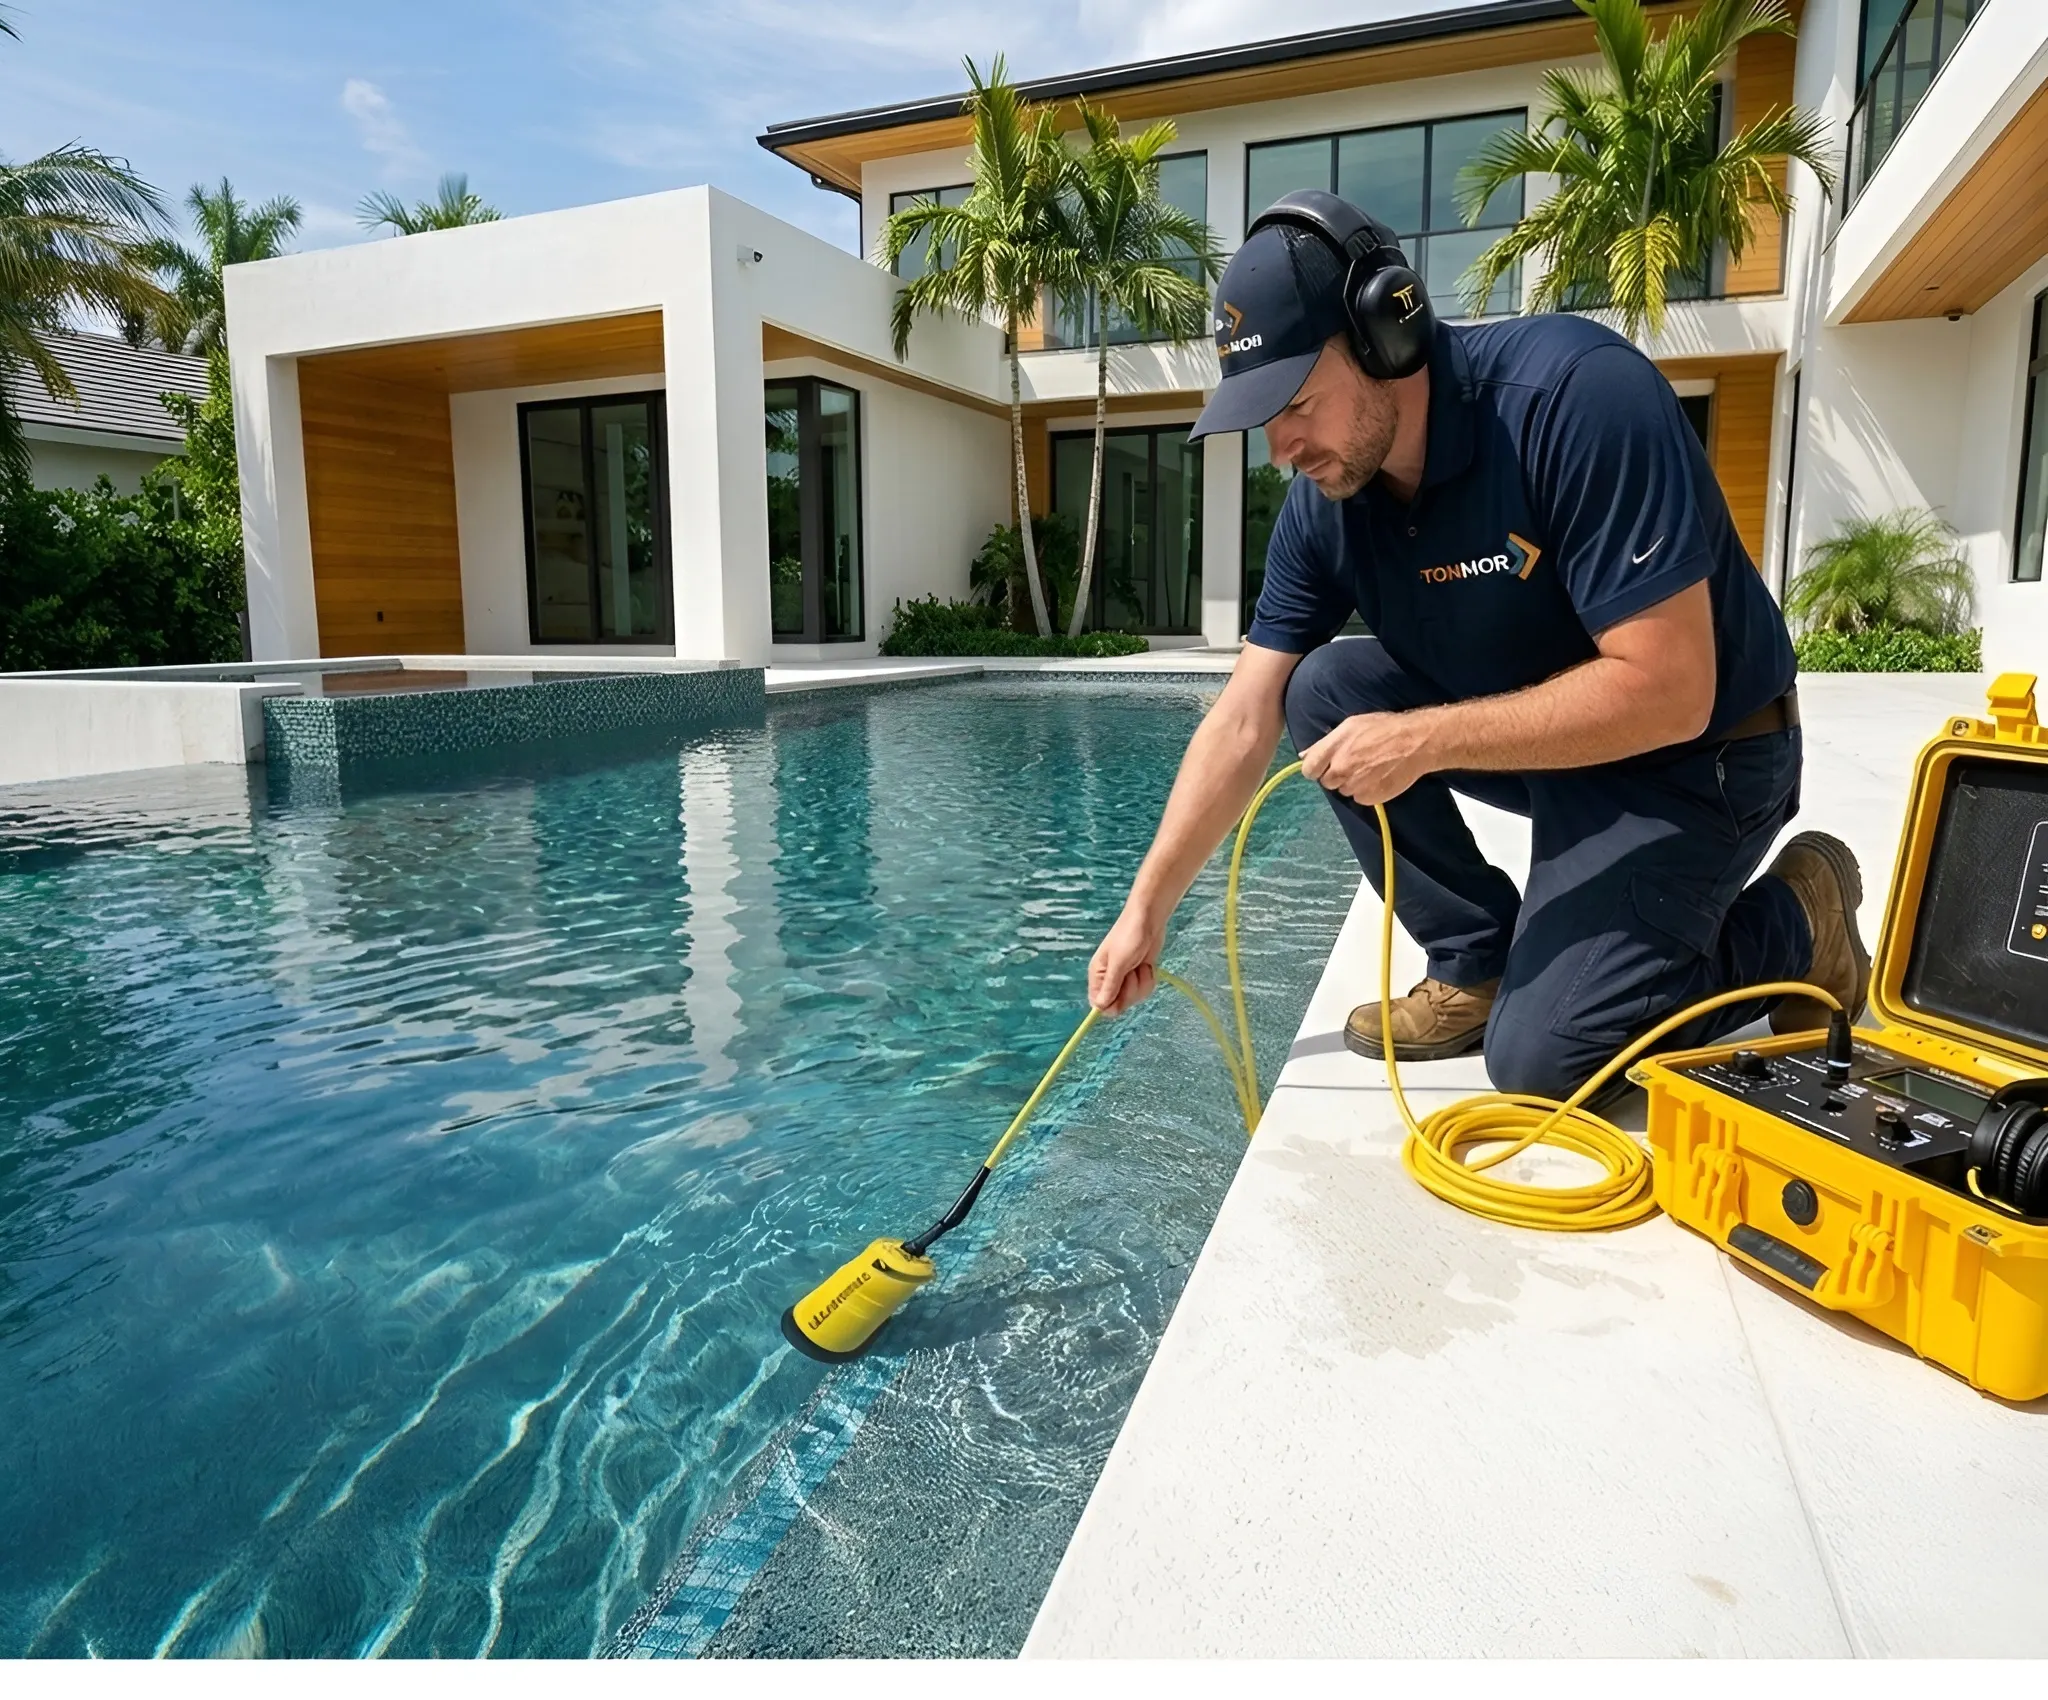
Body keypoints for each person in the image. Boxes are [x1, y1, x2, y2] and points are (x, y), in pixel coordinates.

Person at [1087, 191, 1869, 1097]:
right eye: (1264, 417)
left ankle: (1800, 918)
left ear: (1389, 336)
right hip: (1562, 750)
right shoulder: (1328, 502)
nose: (1281, 448)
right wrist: (1145, 912)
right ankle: (1477, 961)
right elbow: (1243, 717)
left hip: (1702, 760)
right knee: (1321, 689)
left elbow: (1672, 688)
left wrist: (1423, 740)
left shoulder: (1577, 400)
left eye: (1296, 402)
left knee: (1547, 1063)